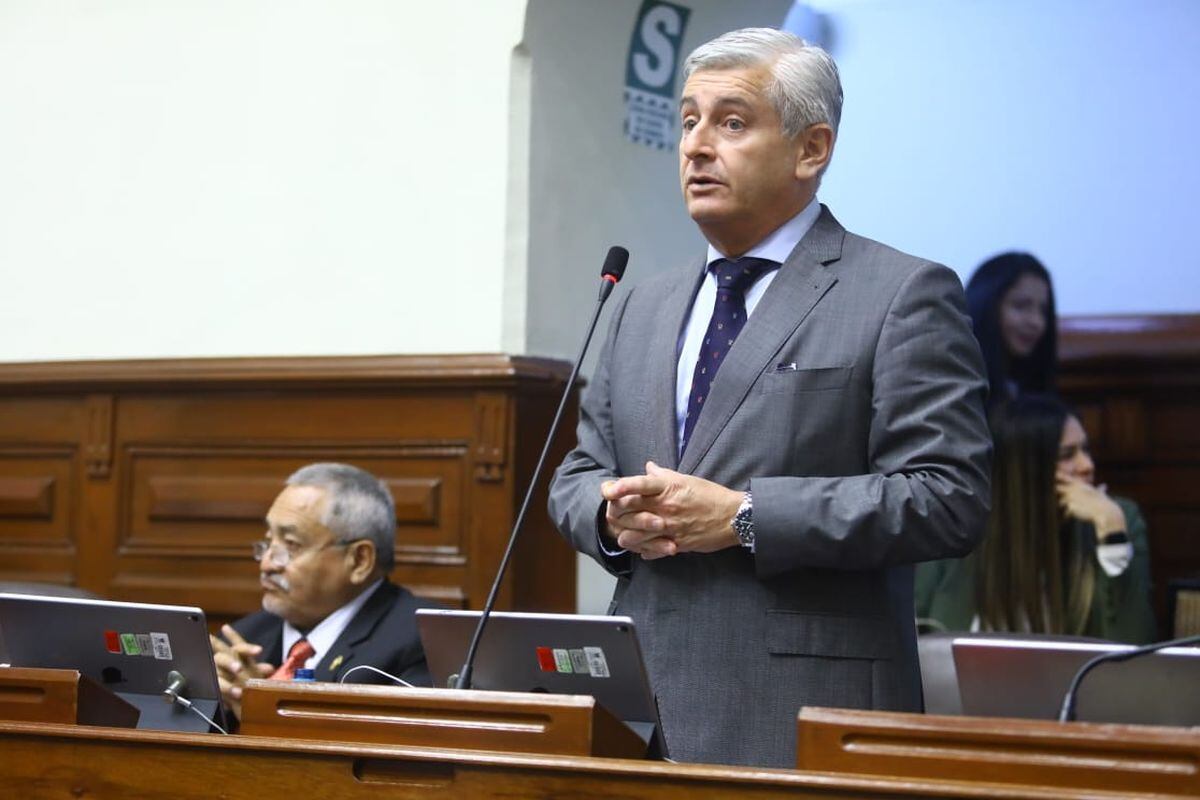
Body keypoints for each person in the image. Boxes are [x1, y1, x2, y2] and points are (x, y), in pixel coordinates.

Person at [548, 28, 991, 768]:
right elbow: (575, 471)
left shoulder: (902, 294)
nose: (694, 146)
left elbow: (949, 497)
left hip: (803, 715)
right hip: (637, 716)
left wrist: (747, 517)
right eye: (687, 120)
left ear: (811, 149)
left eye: (731, 122)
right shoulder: (639, 304)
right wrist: (607, 512)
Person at [915, 395, 1156, 643]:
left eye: (1085, 449)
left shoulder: (1117, 518)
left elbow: (1132, 648)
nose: (1087, 465)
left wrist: (1113, 535)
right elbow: (918, 633)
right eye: (1067, 455)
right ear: (1022, 470)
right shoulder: (958, 524)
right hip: (959, 680)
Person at [211, 462, 434, 722]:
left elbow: (385, 756)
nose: (267, 564)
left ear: (359, 560)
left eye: (291, 545)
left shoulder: (425, 643)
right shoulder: (243, 642)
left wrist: (260, 711)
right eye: (269, 541)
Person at [964, 251, 1057, 405]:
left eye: (1043, 311)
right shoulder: (955, 386)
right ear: (985, 306)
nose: (1037, 322)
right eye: (1020, 306)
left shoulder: (1023, 388)